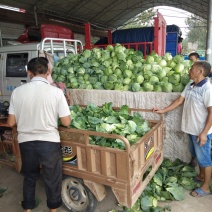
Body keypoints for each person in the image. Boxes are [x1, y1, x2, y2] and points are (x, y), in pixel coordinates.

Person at [7, 57, 71, 212]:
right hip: (49, 142)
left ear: (29, 73)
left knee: (29, 176)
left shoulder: (17, 92)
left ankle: (28, 208)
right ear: (48, 72)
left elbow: (10, 123)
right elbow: (67, 122)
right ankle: (53, 210)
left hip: (26, 142)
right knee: (52, 178)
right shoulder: (56, 92)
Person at [153, 61, 212, 198]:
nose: (189, 71)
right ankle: (202, 176)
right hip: (191, 130)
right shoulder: (190, 85)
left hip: (201, 132)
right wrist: (163, 110)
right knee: (196, 154)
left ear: (200, 72)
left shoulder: (207, 89)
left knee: (205, 159)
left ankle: (206, 187)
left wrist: (203, 133)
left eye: (192, 69)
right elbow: (179, 101)